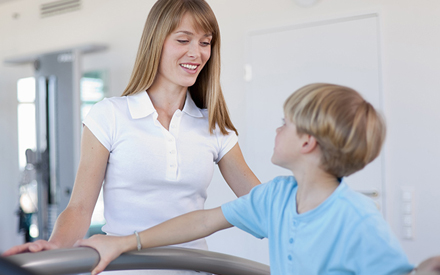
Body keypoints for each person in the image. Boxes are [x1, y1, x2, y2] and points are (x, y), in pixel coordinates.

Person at [3, 0, 259, 274]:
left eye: (205, 43)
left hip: (192, 268)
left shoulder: (215, 127)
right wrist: (55, 246)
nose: (196, 53)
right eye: (183, 40)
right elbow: (79, 208)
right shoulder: (110, 115)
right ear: (155, 42)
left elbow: (262, 203)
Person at [76, 83, 440, 275]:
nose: (276, 129)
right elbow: (205, 220)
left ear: (307, 142)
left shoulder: (357, 218)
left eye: (285, 123)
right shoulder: (276, 198)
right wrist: (125, 242)